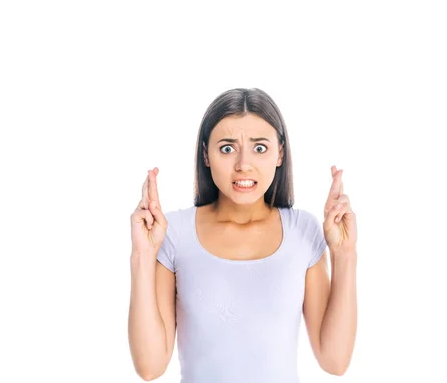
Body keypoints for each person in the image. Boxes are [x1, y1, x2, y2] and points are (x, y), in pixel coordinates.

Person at [129, 88, 358, 382]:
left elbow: (335, 360)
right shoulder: (174, 234)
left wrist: (345, 253)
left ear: (280, 153)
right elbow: (150, 367)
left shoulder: (302, 231)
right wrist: (142, 255)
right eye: (227, 148)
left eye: (259, 148)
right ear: (206, 155)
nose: (243, 165)